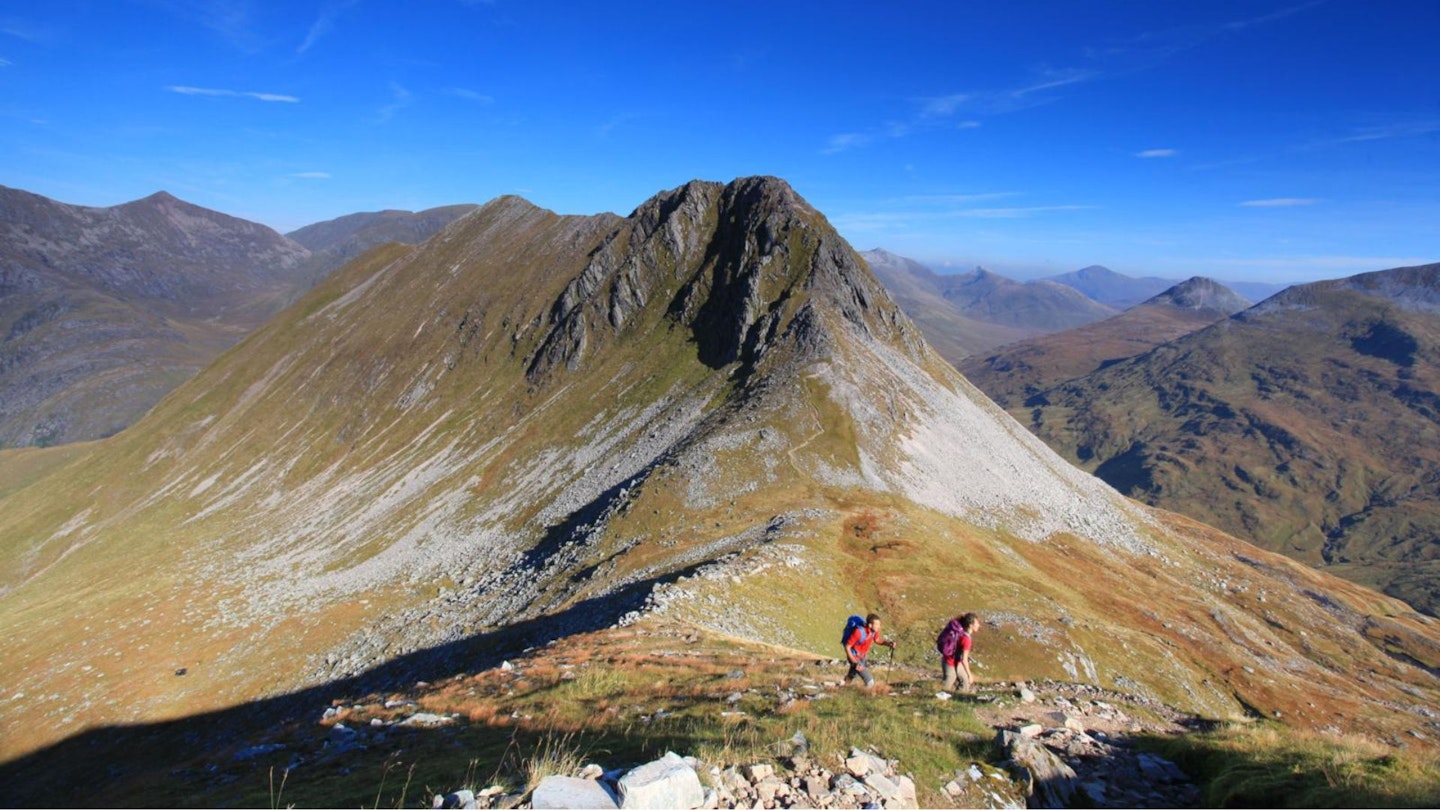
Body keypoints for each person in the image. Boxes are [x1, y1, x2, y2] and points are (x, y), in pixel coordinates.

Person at [843, 613, 896, 688]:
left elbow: (877, 640)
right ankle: (863, 696)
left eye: (879, 624)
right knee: (870, 682)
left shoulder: (874, 631)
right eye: (877, 624)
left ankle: (843, 688)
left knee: (851, 675)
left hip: (863, 657)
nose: (879, 627)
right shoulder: (858, 632)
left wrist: (888, 644)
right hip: (854, 657)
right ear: (870, 625)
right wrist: (854, 662)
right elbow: (847, 647)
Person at [938, 612, 980, 693]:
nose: (979, 625)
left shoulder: (962, 633)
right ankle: (935, 700)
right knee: (947, 684)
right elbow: (964, 659)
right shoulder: (966, 639)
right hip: (950, 663)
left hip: (952, 661)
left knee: (965, 682)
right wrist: (969, 675)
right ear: (971, 625)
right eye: (977, 623)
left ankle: (954, 699)